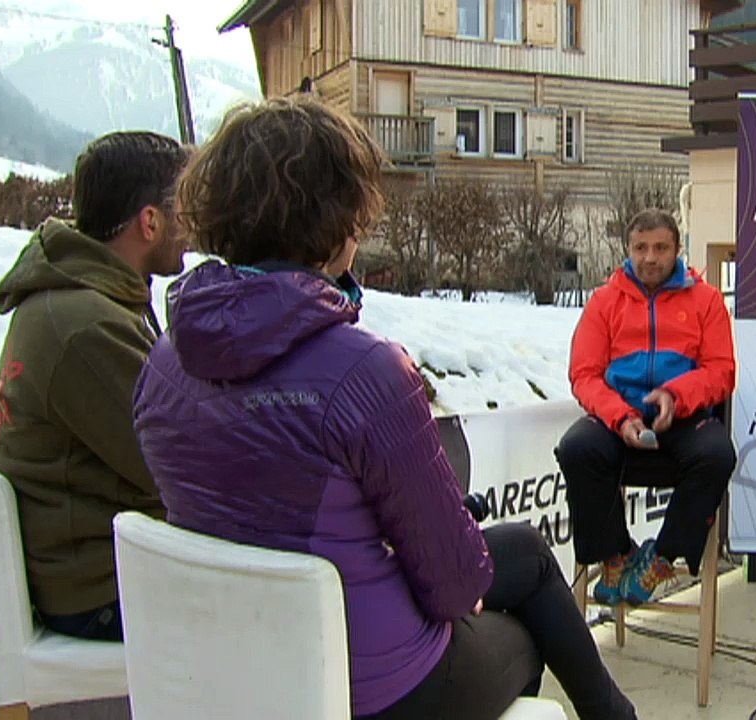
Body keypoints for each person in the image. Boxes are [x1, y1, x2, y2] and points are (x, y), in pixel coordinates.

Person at [132, 97, 635, 720]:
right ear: (341, 220)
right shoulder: (365, 372)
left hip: (232, 673)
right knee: (524, 628)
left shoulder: (162, 360)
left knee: (522, 552)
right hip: (371, 688)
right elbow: (456, 586)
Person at [0, 131, 188, 641]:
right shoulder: (85, 325)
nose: (193, 225)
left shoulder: (81, 294)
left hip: (86, 563)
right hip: (98, 588)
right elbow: (179, 467)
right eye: (185, 209)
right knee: (289, 605)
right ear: (150, 221)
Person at [554, 208, 737, 607]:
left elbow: (722, 372)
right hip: (620, 415)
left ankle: (662, 557)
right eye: (640, 248)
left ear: (677, 250)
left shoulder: (706, 300)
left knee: (718, 455)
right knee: (576, 448)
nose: (650, 257)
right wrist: (620, 416)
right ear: (627, 249)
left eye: (660, 248)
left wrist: (676, 395)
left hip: (683, 417)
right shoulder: (604, 301)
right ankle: (617, 554)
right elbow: (584, 374)